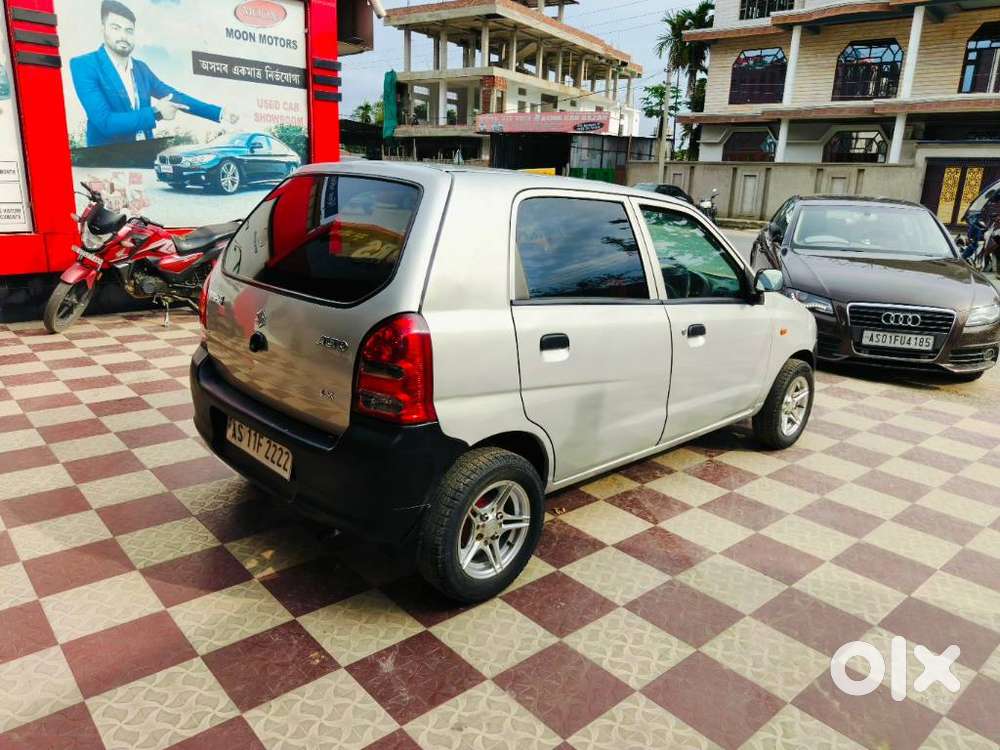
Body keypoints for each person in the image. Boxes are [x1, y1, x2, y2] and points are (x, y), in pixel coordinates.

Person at [70, 0, 238, 147]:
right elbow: (105, 122)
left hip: (144, 159)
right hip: (106, 163)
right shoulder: (84, 65)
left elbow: (175, 97)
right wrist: (156, 112)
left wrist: (220, 112)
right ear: (103, 29)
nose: (123, 36)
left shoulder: (141, 68)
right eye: (116, 28)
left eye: (129, 30)